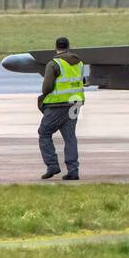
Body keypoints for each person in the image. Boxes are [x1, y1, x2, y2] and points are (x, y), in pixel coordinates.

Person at [38, 37, 84, 180]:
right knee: (70, 137)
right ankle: (73, 170)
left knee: (44, 133)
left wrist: (43, 97)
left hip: (57, 105)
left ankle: (52, 165)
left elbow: (47, 87)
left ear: (56, 47)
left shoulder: (54, 64)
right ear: (69, 47)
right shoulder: (79, 63)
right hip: (75, 104)